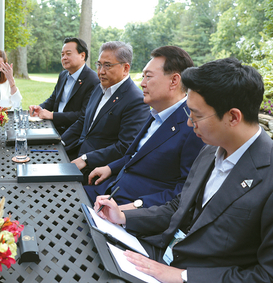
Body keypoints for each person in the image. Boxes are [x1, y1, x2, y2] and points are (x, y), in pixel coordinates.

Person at [94, 58, 273, 282]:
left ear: (233, 117)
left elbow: (266, 275)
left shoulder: (267, 174)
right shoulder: (211, 150)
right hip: (163, 256)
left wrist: (183, 276)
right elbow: (180, 206)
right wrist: (123, 216)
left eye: (196, 115)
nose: (189, 123)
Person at [84, 46, 205, 209]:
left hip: (131, 210)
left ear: (174, 81)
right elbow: (137, 156)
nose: (142, 84)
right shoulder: (155, 113)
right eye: (143, 77)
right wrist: (109, 167)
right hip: (109, 190)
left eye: (148, 77)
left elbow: (184, 192)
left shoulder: (192, 126)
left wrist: (133, 207)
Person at [62, 41, 149, 182]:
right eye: (99, 65)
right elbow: (83, 120)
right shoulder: (99, 87)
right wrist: (61, 142)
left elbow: (125, 147)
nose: (101, 71)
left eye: (108, 65)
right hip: (75, 154)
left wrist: (86, 159)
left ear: (125, 68)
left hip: (97, 171)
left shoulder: (136, 100)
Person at [29, 37, 100, 135]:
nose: (64, 57)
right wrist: (39, 108)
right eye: (62, 54)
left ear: (82, 56)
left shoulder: (92, 80)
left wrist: (53, 116)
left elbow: (84, 115)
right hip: (54, 127)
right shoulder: (63, 75)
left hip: (74, 133)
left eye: (68, 54)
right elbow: (54, 99)